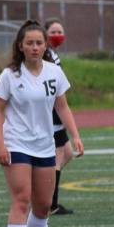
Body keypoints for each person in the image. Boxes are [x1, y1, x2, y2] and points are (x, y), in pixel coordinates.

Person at [0, 20, 84, 227]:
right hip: (17, 144)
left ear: (46, 46)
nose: (34, 47)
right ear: (20, 46)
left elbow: (62, 106)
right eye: (29, 43)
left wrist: (75, 135)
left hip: (45, 145)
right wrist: (0, 144)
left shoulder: (54, 72)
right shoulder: (10, 75)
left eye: (39, 43)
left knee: (43, 205)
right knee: (22, 199)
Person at [44, 18, 74, 215]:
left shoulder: (52, 54)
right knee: (59, 155)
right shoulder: (46, 54)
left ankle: (44, 189)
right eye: (53, 32)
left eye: (60, 32)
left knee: (67, 153)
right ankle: (50, 204)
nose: (57, 35)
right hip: (52, 111)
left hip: (57, 109)